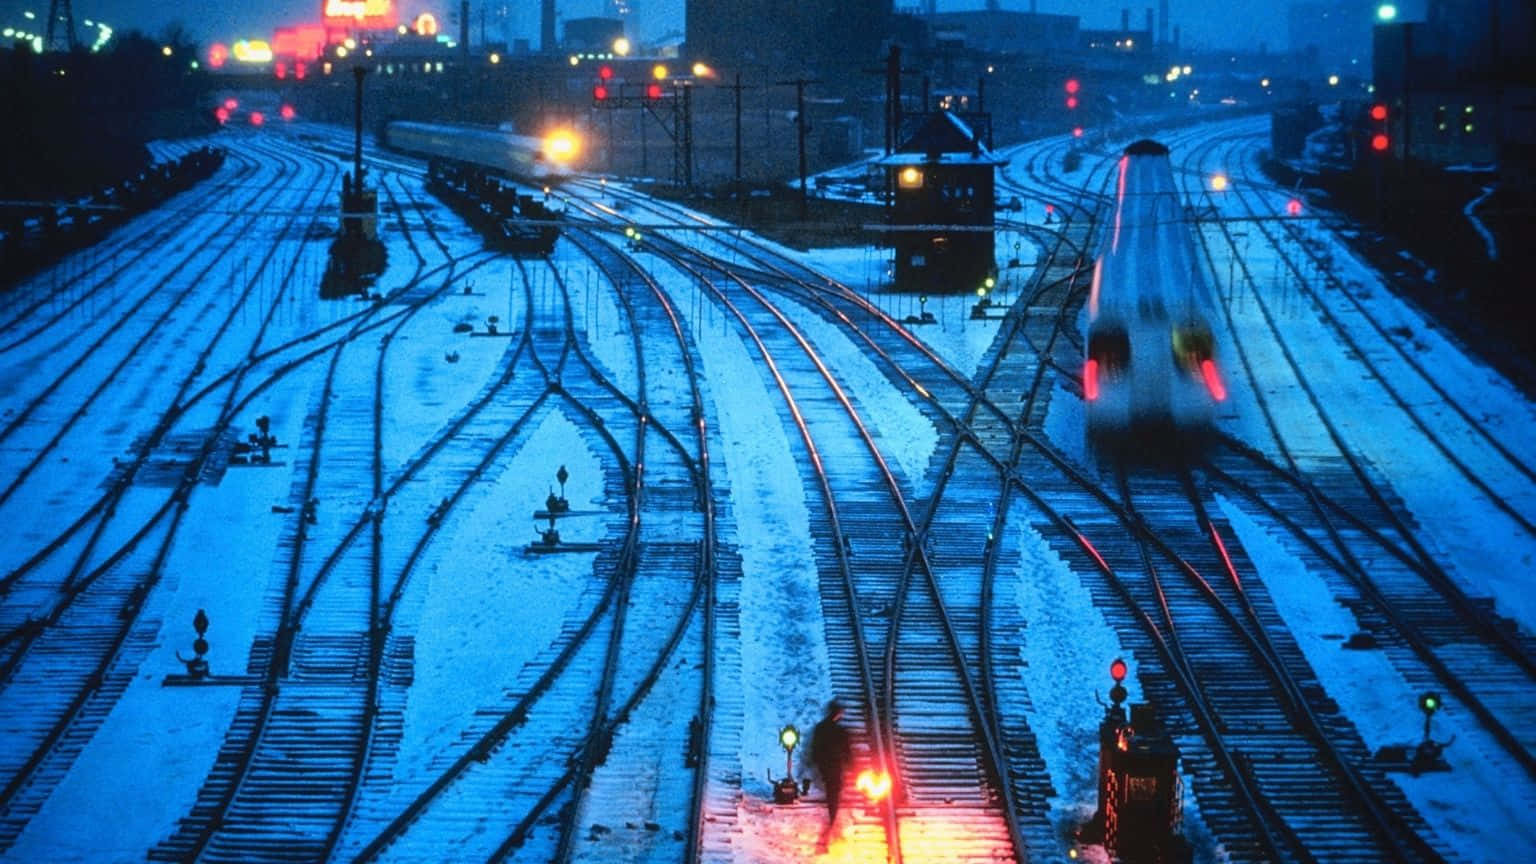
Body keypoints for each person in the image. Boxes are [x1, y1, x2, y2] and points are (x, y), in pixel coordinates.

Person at [810, 699, 852, 851]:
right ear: (839, 713)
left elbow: (815, 750)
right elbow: (847, 753)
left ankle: (832, 821)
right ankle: (831, 825)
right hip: (835, 766)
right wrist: (850, 764)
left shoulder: (820, 728)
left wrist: (816, 763)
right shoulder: (841, 732)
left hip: (825, 766)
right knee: (834, 793)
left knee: (832, 792)